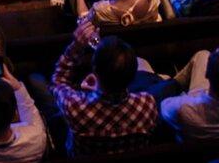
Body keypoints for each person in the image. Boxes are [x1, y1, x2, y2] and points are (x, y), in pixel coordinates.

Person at [47, 17, 158, 155]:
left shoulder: (75, 107)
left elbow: (57, 81)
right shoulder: (147, 104)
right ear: (133, 74)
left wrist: (76, 46)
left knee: (36, 81)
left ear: (94, 70)